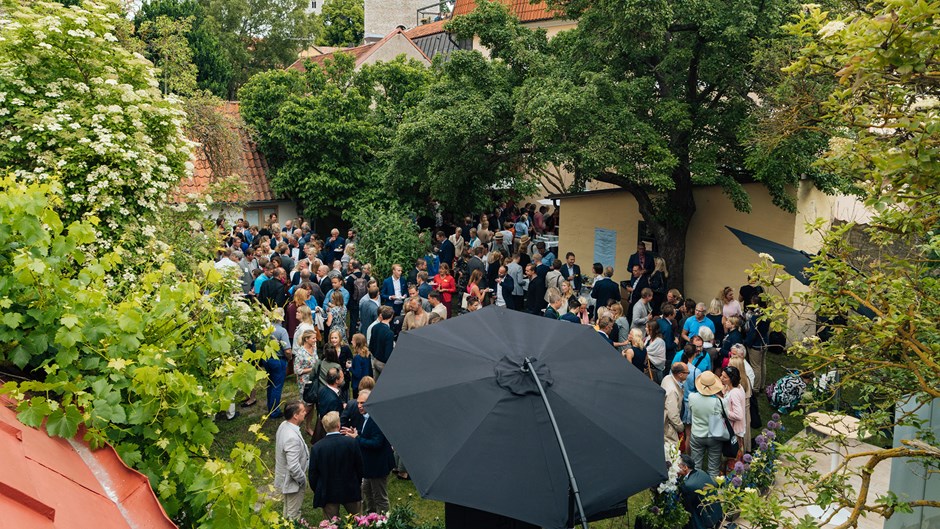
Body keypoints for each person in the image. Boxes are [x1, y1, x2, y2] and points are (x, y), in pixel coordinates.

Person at [343, 390, 395, 514]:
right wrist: (356, 433)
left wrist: (357, 438)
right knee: (367, 492)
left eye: (363, 403)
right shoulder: (367, 416)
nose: (359, 406)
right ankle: (370, 517)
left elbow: (376, 443)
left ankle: (384, 522)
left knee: (379, 497)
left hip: (378, 466)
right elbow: (368, 434)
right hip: (369, 466)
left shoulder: (376, 419)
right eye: (358, 403)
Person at [308, 411, 363, 518]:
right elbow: (359, 467)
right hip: (350, 488)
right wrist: (357, 482)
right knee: (359, 521)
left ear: (324, 427)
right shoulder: (351, 443)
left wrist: (319, 488)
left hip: (328, 491)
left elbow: (313, 474)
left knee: (331, 524)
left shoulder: (317, 448)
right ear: (339, 425)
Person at [274, 400, 309, 521]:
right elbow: (293, 467)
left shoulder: (284, 425)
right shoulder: (291, 438)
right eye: (303, 411)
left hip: (284, 478)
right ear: (295, 415)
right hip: (292, 483)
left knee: (288, 510)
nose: (305, 412)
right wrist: (302, 480)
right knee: (293, 515)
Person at [688, 370, 726, 477]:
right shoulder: (719, 402)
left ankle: (695, 487)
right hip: (714, 435)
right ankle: (712, 490)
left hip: (696, 434)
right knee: (713, 468)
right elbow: (724, 415)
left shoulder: (692, 397)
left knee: (695, 466)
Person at [677, 455, 723, 529]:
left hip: (705, 521)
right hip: (717, 515)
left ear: (685, 467)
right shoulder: (700, 472)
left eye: (677, 465)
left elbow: (686, 507)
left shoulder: (688, 485)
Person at [264, 309, 291, 419]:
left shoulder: (267, 328)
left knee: (270, 383)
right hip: (278, 359)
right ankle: (274, 411)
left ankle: (270, 406)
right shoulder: (282, 331)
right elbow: (287, 350)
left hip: (266, 358)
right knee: (277, 385)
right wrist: (289, 358)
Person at [294, 329, 318, 436]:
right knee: (307, 406)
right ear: (306, 339)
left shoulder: (314, 348)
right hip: (305, 383)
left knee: (311, 404)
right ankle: (295, 426)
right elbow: (297, 370)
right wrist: (311, 369)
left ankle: (308, 427)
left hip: (314, 381)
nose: (315, 340)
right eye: (313, 338)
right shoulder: (300, 353)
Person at [313, 367, 346, 444]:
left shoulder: (322, 389)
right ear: (337, 381)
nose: (343, 378)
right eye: (342, 377)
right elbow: (334, 420)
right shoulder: (333, 400)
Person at [720, 365, 746, 461]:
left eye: (724, 377)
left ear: (731, 379)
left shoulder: (734, 393)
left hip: (734, 432)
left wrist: (723, 411)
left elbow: (739, 415)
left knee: (732, 460)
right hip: (733, 430)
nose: (721, 378)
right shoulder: (738, 387)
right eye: (721, 375)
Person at [663, 363, 688, 446]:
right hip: (669, 428)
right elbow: (673, 414)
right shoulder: (672, 391)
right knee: (672, 453)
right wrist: (680, 427)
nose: (688, 374)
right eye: (687, 372)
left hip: (667, 424)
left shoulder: (667, 378)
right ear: (680, 374)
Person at [369, 306, 395, 378]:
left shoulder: (375, 327)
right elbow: (388, 353)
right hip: (383, 363)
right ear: (391, 316)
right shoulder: (389, 333)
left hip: (376, 360)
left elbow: (371, 345)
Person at [350, 333, 373, 398]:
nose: (351, 342)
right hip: (366, 383)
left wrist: (350, 368)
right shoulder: (367, 354)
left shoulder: (357, 357)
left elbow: (357, 373)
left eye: (352, 340)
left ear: (357, 343)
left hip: (358, 385)